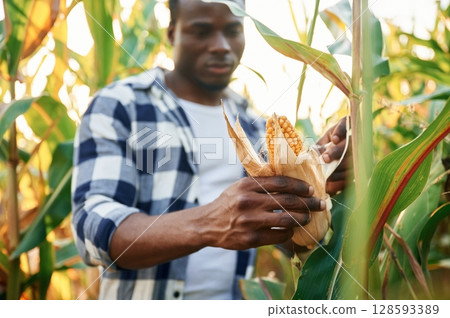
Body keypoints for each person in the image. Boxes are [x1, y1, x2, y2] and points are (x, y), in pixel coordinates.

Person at [71, 0, 349, 300]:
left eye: (232, 30)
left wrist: (313, 184)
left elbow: (287, 239)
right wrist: (209, 222)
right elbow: (91, 225)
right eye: (201, 31)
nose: (220, 45)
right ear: (172, 33)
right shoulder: (123, 106)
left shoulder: (254, 126)